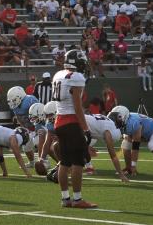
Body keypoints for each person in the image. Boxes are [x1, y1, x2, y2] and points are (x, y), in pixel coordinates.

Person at [50, 50, 97, 208]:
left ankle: (65, 199)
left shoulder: (58, 75)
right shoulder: (76, 77)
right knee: (77, 162)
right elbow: (77, 106)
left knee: (64, 162)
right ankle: (77, 200)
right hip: (71, 122)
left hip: (59, 121)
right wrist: (86, 128)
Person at [108, 105, 153, 176]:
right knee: (125, 144)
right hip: (146, 133)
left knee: (152, 146)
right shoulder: (127, 121)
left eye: (116, 119)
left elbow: (135, 146)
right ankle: (128, 168)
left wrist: (133, 165)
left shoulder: (133, 123)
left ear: (124, 117)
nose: (114, 122)